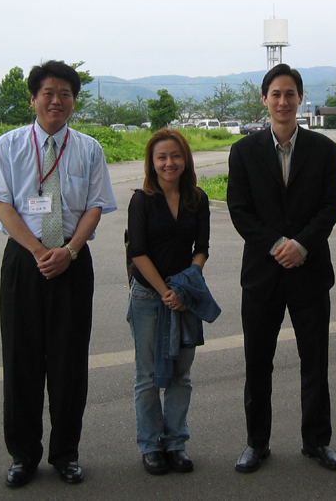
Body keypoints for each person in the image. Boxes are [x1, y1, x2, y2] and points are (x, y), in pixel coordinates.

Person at [0, 61, 117, 488]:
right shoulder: (9, 145)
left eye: (66, 94)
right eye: (48, 93)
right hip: (25, 259)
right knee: (21, 360)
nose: (57, 101)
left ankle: (66, 454)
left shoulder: (90, 149)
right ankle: (23, 455)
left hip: (73, 262)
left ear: (74, 100)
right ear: (33, 98)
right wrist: (40, 251)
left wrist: (69, 251)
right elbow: (2, 204)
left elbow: (96, 206)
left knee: (69, 362)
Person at [227, 63, 336, 473]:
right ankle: (256, 443)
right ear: (265, 100)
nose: (283, 101)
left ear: (300, 98)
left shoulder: (324, 149)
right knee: (257, 362)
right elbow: (239, 210)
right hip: (263, 274)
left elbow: (331, 206)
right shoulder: (243, 151)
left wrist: (302, 244)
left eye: (290, 94)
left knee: (316, 361)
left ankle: (316, 442)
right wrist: (278, 245)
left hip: (310, 272)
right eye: (275, 94)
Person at [126, 129, 216, 476]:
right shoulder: (142, 200)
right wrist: (167, 290)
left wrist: (185, 286)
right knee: (147, 376)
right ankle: (150, 445)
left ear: (186, 159)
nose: (169, 163)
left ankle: (175, 442)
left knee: (181, 374)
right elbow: (138, 251)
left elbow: (202, 247)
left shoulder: (197, 197)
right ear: (152, 161)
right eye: (162, 157)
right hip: (150, 296)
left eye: (175, 156)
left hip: (185, 295)